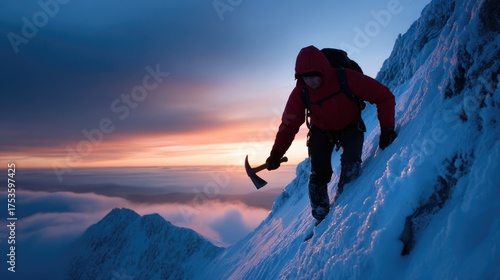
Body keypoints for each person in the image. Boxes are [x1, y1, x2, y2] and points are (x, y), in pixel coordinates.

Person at [266, 45, 397, 223]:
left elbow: (384, 96)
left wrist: (387, 128)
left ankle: (346, 200)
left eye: (314, 75)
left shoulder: (345, 77)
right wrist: (276, 153)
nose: (310, 81)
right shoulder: (301, 92)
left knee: (351, 164)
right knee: (318, 174)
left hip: (351, 126)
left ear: (323, 70)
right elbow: (288, 125)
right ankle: (320, 216)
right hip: (321, 130)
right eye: (305, 77)